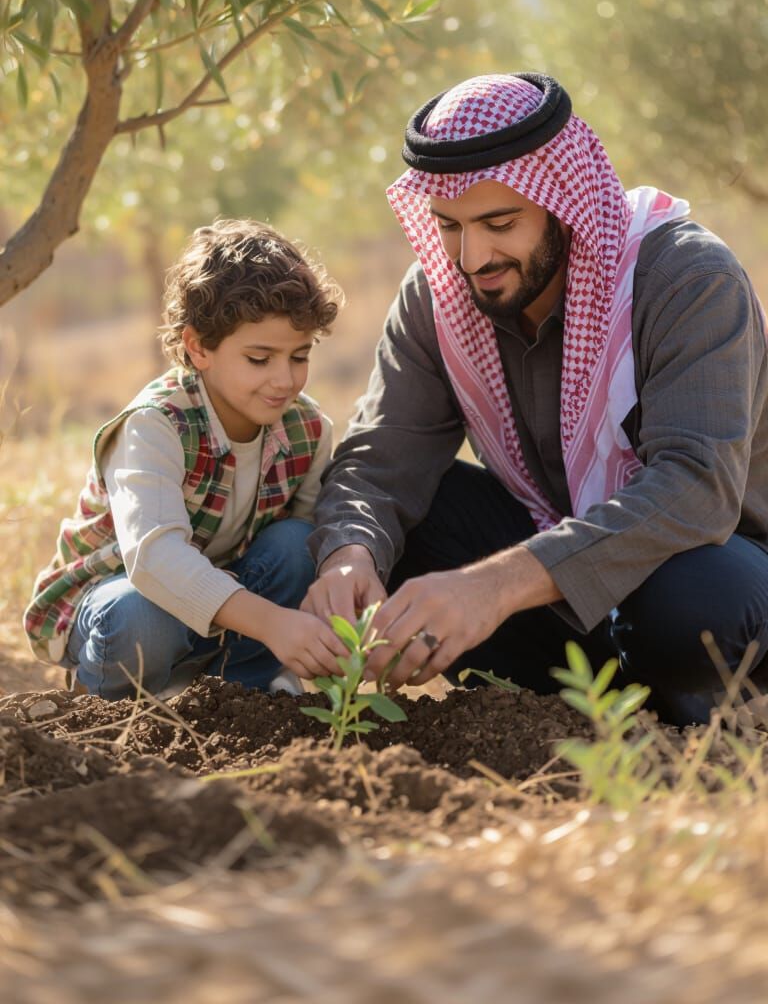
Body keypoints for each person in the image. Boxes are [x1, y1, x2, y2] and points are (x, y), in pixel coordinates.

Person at [303, 73, 768, 726]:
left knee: (693, 604)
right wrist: (349, 554)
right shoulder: (438, 294)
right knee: (404, 529)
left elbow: (697, 489)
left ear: (564, 203)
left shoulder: (686, 279)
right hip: (561, 581)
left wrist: (492, 587)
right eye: (450, 226)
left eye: (499, 223)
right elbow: (382, 457)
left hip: (720, 569)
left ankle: (716, 706)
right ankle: (581, 710)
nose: (472, 257)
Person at [24, 219, 347, 700]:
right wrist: (276, 624)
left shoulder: (307, 428)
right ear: (198, 348)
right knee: (142, 615)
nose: (285, 379)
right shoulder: (155, 426)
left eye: (299, 356)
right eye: (260, 359)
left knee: (300, 544)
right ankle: (121, 702)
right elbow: (154, 561)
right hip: (121, 602)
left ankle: (247, 687)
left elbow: (300, 557)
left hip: (224, 599)